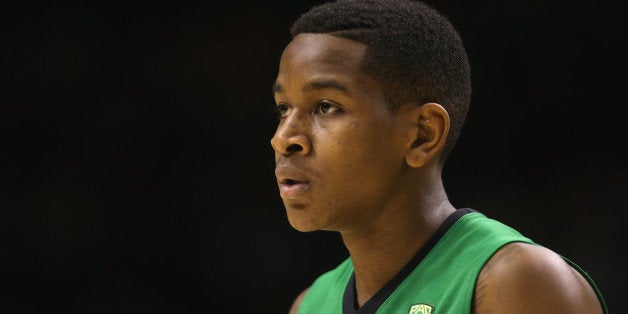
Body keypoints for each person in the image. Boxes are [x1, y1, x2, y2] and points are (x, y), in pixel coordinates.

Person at [270, 0, 608, 313]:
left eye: (326, 107)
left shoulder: (520, 282)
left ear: (423, 135)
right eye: (284, 108)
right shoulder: (310, 304)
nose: (283, 138)